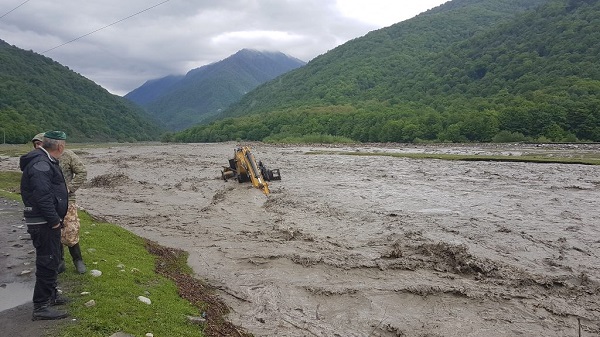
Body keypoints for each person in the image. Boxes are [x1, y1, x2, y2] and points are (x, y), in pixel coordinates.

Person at [20, 131, 69, 321]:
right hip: (43, 222)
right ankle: (41, 306)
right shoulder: (41, 163)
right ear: (60, 146)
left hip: (45, 221)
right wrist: (55, 220)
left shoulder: (44, 159)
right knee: (47, 260)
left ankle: (51, 295)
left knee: (53, 258)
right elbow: (42, 195)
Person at [32, 133, 88, 274]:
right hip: (48, 202)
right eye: (35, 144)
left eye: (40, 143)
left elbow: (82, 172)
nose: (38, 146)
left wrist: (69, 188)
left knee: (70, 229)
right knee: (54, 231)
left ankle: (78, 260)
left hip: (68, 200)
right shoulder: (37, 158)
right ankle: (60, 261)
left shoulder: (67, 155)